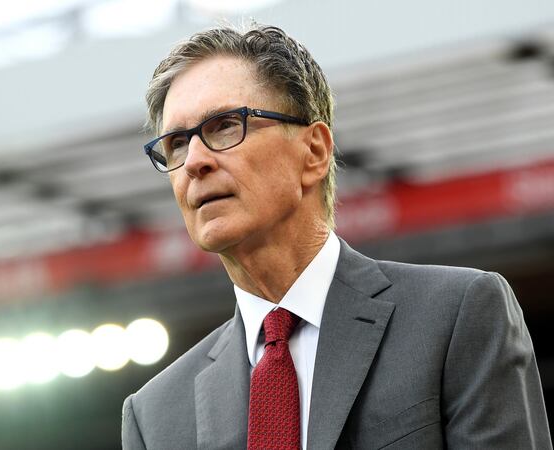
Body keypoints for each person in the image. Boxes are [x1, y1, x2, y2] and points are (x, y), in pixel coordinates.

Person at [121, 23, 551, 450]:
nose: (194, 160)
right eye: (176, 143)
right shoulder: (155, 416)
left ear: (314, 152)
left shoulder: (456, 315)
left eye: (225, 126)